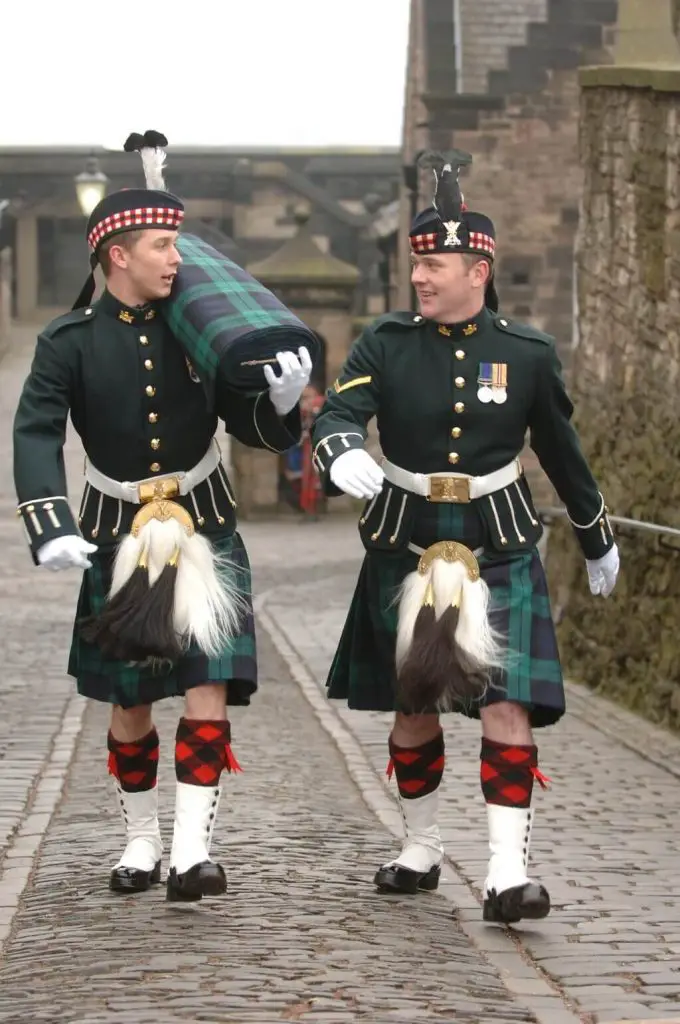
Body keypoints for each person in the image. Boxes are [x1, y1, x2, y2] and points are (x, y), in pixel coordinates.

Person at [311, 151, 619, 924]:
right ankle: (420, 847)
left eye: (437, 263)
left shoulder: (527, 354)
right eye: (418, 262)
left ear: (477, 269)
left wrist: (595, 533)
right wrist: (339, 447)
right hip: (406, 536)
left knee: (504, 703)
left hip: (497, 540)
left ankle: (507, 874)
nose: (421, 276)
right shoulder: (384, 342)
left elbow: (561, 451)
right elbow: (342, 411)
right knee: (414, 704)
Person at [13, 132, 312, 903]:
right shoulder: (68, 341)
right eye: (161, 243)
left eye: (176, 241)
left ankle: (191, 850)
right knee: (131, 700)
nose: (177, 257)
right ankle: (140, 837)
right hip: (118, 535)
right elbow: (37, 430)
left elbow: (246, 422)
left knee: (207, 684)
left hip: (205, 526)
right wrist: (49, 521)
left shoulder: (199, 326)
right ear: (117, 253)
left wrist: (278, 409)